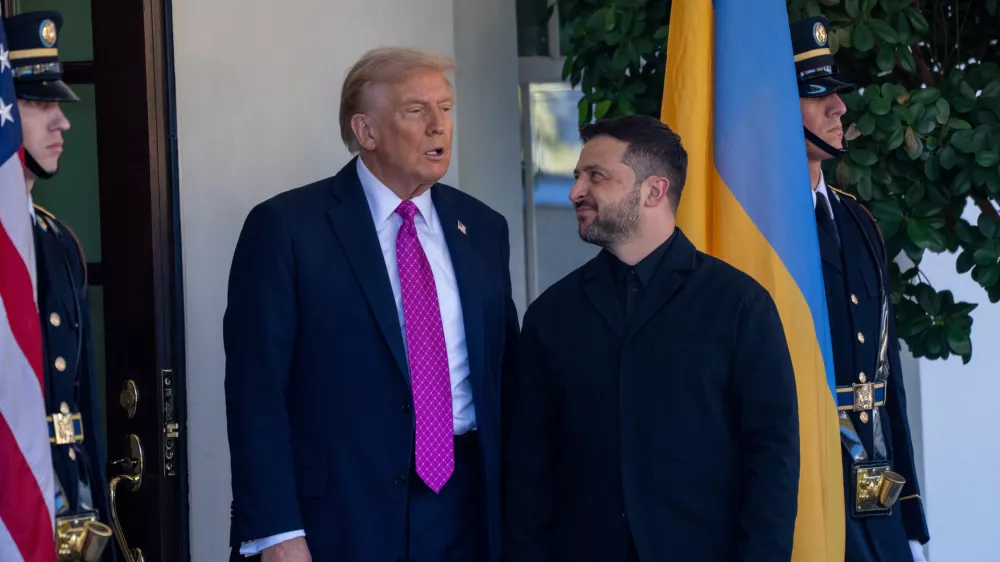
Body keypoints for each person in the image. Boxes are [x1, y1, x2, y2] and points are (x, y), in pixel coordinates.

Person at [224, 46, 519, 562]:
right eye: (415, 110)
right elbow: (256, 390)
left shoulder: (482, 228)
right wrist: (276, 531)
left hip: (464, 512)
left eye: (445, 108)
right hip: (341, 517)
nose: (438, 126)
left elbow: (504, 374)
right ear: (366, 131)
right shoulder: (287, 228)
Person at [503, 115, 800, 561]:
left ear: (654, 191)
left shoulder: (740, 305)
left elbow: (772, 453)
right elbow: (530, 467)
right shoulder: (551, 314)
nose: (575, 191)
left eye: (596, 176)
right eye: (578, 176)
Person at [791, 16, 930, 562]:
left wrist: (908, 512)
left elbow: (884, 377)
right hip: (805, 486)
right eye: (816, 94)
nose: (839, 109)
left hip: (874, 483)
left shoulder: (859, 222)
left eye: (837, 93)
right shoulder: (763, 233)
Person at [8, 10, 115, 562]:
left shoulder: (58, 241)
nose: (62, 122)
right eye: (36, 103)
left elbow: (79, 407)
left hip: (64, 503)